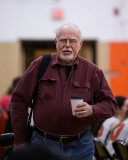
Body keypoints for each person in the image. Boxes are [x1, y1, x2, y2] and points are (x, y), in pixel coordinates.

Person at [11, 24, 117, 160]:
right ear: (56, 42)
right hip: (43, 145)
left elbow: (111, 105)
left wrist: (92, 109)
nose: (67, 45)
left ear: (80, 44)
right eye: (63, 40)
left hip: (81, 147)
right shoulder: (40, 65)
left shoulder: (93, 71)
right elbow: (19, 100)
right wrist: (20, 141)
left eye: (72, 41)